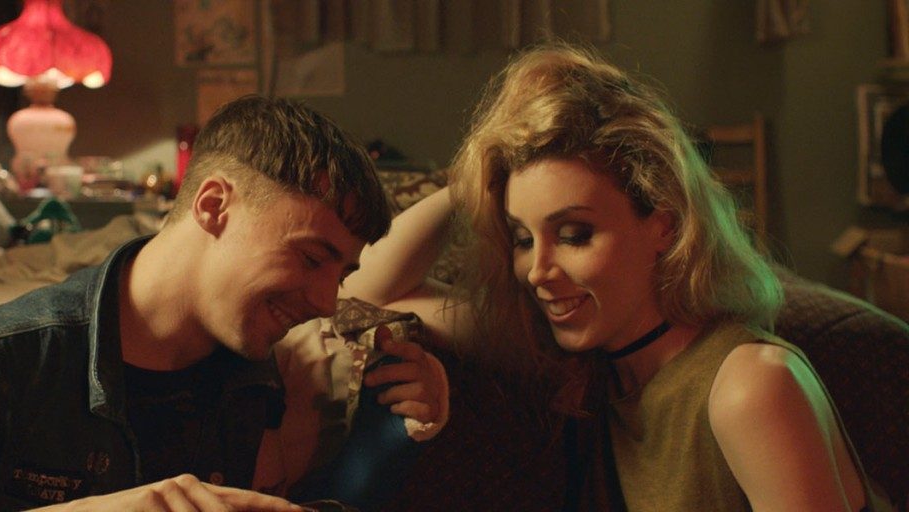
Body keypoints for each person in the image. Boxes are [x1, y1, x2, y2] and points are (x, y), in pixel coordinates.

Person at [341, 43, 893, 511]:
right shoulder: (578, 362)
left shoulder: (750, 385)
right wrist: (476, 177)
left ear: (665, 224)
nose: (539, 271)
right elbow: (363, 289)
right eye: (523, 238)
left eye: (575, 234)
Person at [0, 95, 446, 511]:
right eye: (309, 258)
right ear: (213, 205)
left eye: (341, 274)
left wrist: (389, 433)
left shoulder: (254, 366)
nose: (326, 302)